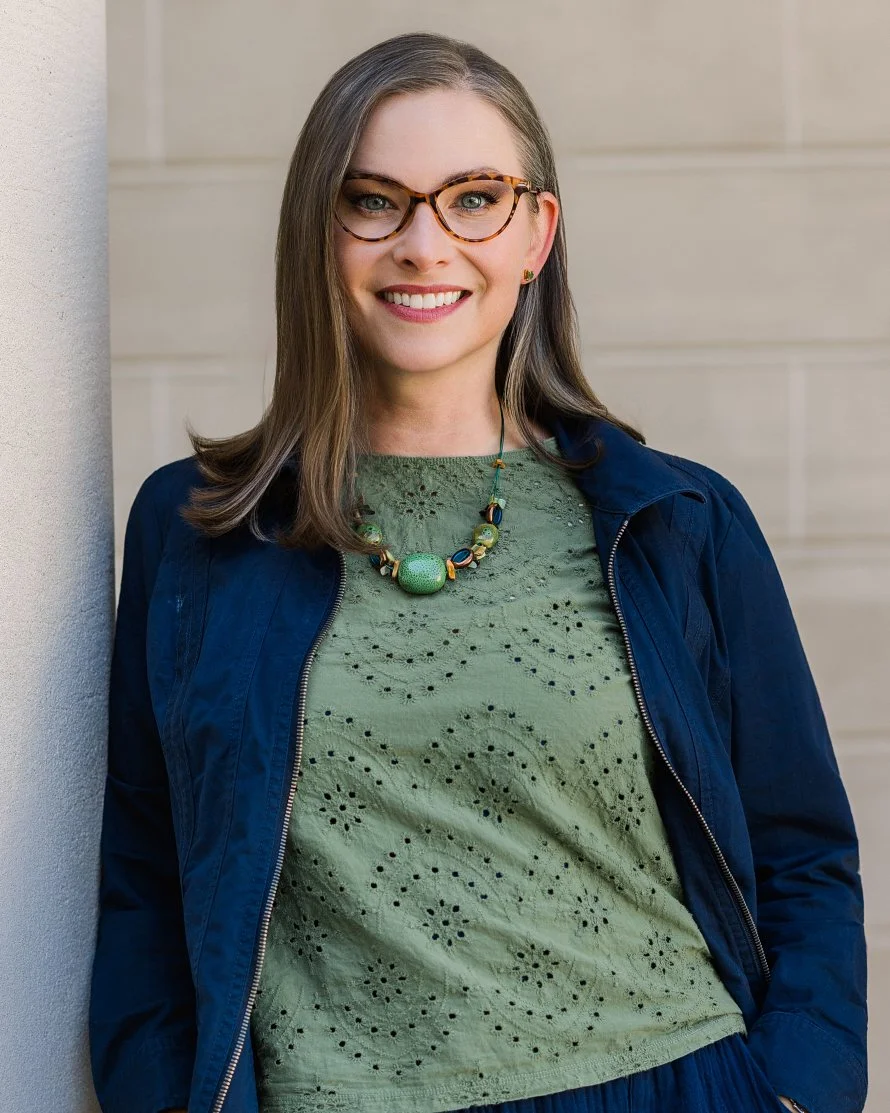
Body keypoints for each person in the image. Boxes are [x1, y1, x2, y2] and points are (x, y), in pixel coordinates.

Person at [88, 31, 867, 1113]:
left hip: (668, 1082)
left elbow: (798, 853)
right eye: (374, 201)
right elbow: (142, 879)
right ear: (319, 232)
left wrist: (799, 1091)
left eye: (472, 199)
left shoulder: (672, 519)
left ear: (535, 233)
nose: (423, 243)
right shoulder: (199, 532)